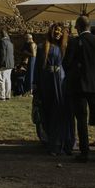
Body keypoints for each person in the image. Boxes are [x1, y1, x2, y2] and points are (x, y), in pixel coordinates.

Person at [63, 15, 95, 162]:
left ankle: (85, 152)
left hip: (78, 86)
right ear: (89, 26)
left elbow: (66, 63)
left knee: (81, 120)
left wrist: (76, 70)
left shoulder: (74, 42)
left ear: (77, 27)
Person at [34, 23, 75, 156]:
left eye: (60, 31)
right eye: (55, 31)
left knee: (62, 112)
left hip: (62, 82)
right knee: (49, 110)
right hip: (47, 82)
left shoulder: (66, 47)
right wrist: (36, 86)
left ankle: (64, 142)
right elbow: (38, 69)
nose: (57, 33)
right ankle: (52, 141)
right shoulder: (42, 47)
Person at [0, 29, 15, 100]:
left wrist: (0, 63)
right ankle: (7, 95)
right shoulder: (10, 43)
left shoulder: (2, 42)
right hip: (10, 63)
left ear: (0, 35)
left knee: (1, 80)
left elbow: (2, 54)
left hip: (4, 64)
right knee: (7, 80)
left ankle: (2, 96)